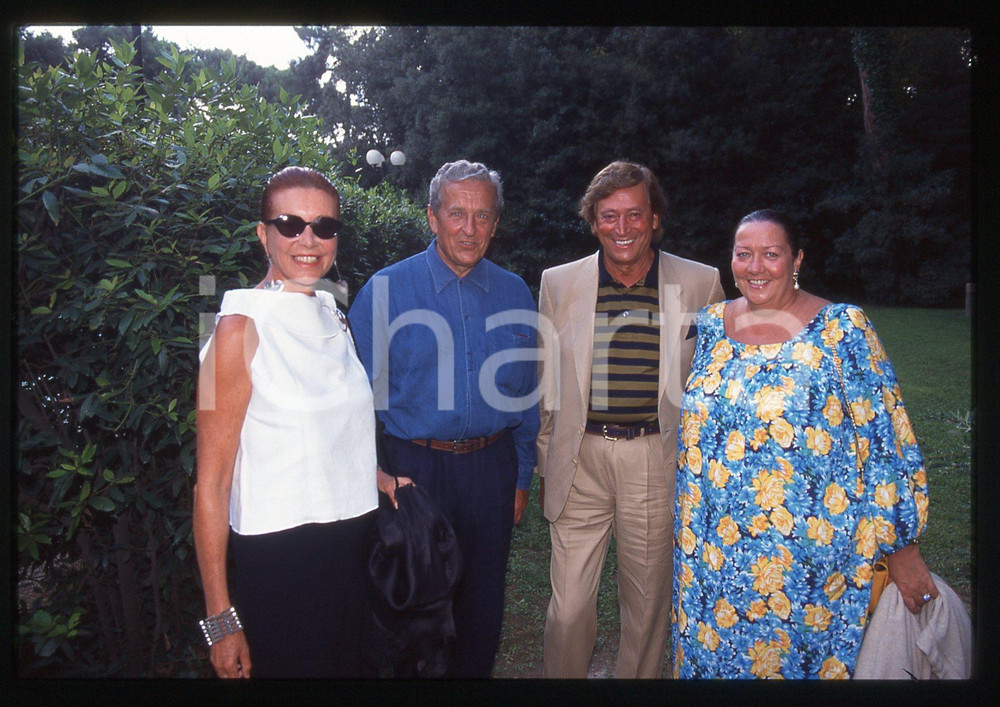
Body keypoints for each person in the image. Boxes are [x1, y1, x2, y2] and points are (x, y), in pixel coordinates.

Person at [672, 208, 936, 679]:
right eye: (744, 254)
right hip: (711, 558)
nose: (755, 267)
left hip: (806, 563)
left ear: (797, 260)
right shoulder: (712, 325)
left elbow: (883, 444)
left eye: (771, 254)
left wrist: (903, 548)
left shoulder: (841, 330)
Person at [194, 166, 396, 678]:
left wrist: (379, 477)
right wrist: (221, 620)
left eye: (325, 226)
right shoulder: (238, 328)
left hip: (353, 548)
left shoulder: (333, 312)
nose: (309, 240)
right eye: (290, 223)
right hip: (283, 562)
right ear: (264, 234)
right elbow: (211, 485)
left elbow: (328, 428)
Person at [348, 159, 539, 678]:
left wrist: (521, 476)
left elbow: (526, 397)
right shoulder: (385, 292)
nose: (469, 229)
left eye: (482, 216)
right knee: (416, 614)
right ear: (432, 217)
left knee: (482, 610)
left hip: (491, 470)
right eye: (457, 214)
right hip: (415, 472)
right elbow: (354, 402)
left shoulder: (515, 293)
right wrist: (378, 478)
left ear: (496, 224)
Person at [536, 160, 724, 678]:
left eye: (634, 215)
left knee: (645, 610)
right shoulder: (559, 283)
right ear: (593, 221)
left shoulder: (700, 282)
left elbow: (721, 379)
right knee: (568, 607)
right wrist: (545, 457)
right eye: (609, 216)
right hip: (580, 461)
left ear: (655, 218)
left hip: (653, 458)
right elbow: (549, 381)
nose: (623, 229)